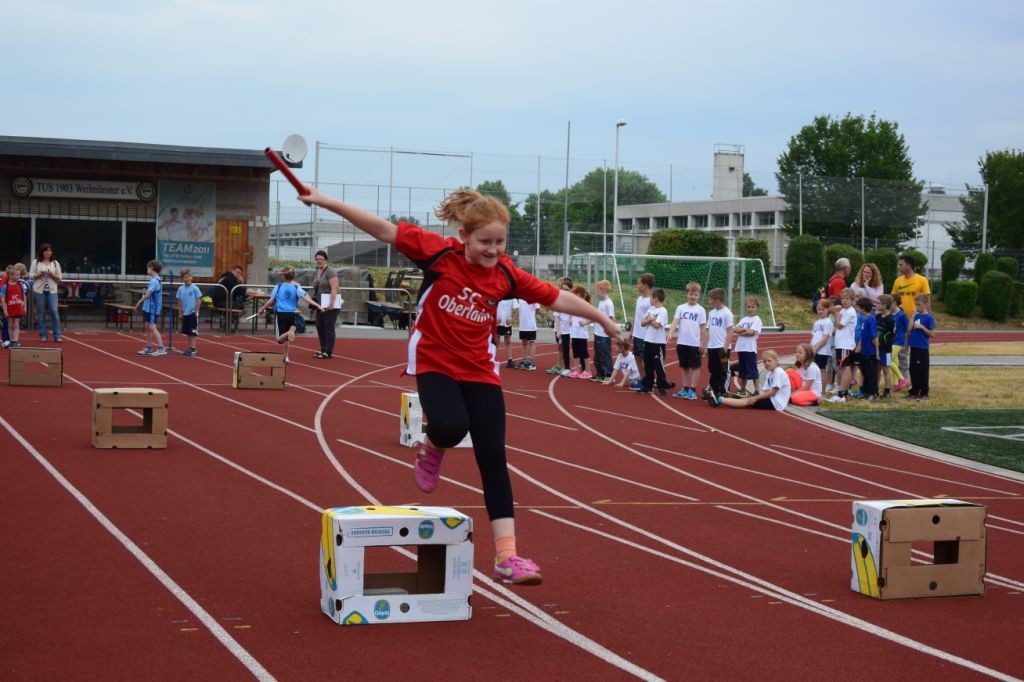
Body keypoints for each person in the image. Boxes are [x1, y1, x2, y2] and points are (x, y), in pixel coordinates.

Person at [298, 186, 623, 586]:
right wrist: (324, 201)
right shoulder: (437, 252)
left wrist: (606, 323)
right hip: (434, 361)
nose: (492, 250)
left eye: (500, 242)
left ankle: (508, 556)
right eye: (484, 242)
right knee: (450, 427)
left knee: (493, 458)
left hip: (480, 369)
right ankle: (433, 446)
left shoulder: (505, 273)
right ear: (464, 236)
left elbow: (557, 298)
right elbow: (381, 228)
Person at [256, 266, 323, 363]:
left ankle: (289, 333)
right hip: (291, 314)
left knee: (279, 339)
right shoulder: (296, 287)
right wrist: (318, 305)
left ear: (283, 277)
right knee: (287, 339)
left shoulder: (278, 287)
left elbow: (270, 301)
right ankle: (286, 356)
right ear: (293, 277)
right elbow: (306, 298)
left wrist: (262, 309)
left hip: (281, 315)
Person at [891, 253, 930, 385]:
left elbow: (927, 301)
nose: (898, 267)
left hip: (916, 322)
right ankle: (903, 380)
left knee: (916, 354)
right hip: (902, 322)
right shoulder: (898, 281)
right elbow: (893, 300)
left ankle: (917, 381)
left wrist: (924, 320)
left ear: (909, 265)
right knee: (901, 352)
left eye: (901, 264)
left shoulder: (921, 280)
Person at [707, 350, 790, 410]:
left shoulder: (778, 372)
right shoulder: (770, 373)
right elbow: (766, 391)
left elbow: (773, 392)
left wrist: (756, 398)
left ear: (776, 361)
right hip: (773, 400)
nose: (766, 363)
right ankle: (720, 399)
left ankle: (718, 399)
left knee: (747, 401)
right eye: (764, 362)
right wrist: (754, 397)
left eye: (769, 361)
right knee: (747, 399)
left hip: (776, 403)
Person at [667, 281, 707, 400]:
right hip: (682, 342)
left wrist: (703, 343)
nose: (693, 297)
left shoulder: (701, 310)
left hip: (694, 343)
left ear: (699, 295)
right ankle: (685, 388)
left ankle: (692, 390)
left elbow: (703, 327)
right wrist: (670, 332)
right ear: (687, 294)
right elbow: (675, 321)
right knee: (684, 366)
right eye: (691, 294)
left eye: (695, 295)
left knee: (695, 367)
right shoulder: (681, 307)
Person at [827, 288, 858, 402]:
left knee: (845, 367)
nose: (844, 301)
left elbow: (839, 325)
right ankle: (844, 393)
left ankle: (841, 394)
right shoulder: (844, 311)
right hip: (841, 343)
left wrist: (836, 312)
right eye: (843, 298)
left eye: (847, 299)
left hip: (846, 344)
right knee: (843, 367)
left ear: (852, 300)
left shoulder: (850, 311)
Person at [638, 288, 670, 395]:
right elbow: (642, 322)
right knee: (648, 364)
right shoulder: (650, 309)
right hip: (648, 340)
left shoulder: (663, 311)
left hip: (658, 343)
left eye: (651, 297)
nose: (650, 299)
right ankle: (648, 386)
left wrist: (650, 320)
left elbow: (657, 325)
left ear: (655, 299)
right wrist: (651, 319)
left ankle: (662, 385)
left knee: (658, 365)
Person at [30, 243, 63, 343]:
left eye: (49, 250)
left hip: (52, 290)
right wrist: (40, 274)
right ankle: (43, 335)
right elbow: (31, 276)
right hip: (39, 290)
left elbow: (59, 278)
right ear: (42, 252)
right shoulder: (36, 262)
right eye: (46, 250)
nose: (48, 252)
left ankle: (57, 335)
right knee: (41, 312)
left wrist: (52, 275)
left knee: (54, 311)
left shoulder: (55, 263)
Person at [134, 259, 167, 357]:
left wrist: (139, 302)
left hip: (153, 308)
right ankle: (149, 347)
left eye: (148, 268)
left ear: (151, 267)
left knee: (152, 327)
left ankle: (161, 348)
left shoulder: (155, 281)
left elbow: (148, 294)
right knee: (147, 326)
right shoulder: (153, 280)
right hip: (149, 307)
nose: (147, 270)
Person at [704, 287, 733, 398]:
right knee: (714, 370)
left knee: (723, 371)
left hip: (722, 347)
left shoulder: (727, 313)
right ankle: (712, 391)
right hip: (712, 347)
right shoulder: (711, 313)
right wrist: (706, 347)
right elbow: (709, 330)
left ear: (716, 300)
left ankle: (723, 391)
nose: (709, 302)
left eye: (710, 299)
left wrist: (725, 348)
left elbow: (730, 331)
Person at [312, 250, 341, 359]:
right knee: (319, 325)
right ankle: (323, 348)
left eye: (321, 259)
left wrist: (331, 303)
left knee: (328, 326)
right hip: (320, 303)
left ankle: (328, 351)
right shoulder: (316, 271)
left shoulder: (330, 272)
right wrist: (313, 304)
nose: (319, 261)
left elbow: (334, 288)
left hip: (331, 303)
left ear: (326, 260)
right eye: (317, 259)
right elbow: (315, 288)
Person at [906, 293, 935, 401]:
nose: (917, 307)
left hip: (922, 348)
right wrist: (913, 316)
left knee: (922, 370)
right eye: (916, 304)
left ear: (926, 304)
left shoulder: (929, 318)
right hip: (913, 346)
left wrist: (922, 327)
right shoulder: (917, 316)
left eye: (919, 304)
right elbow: (908, 329)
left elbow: (932, 334)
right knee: (913, 369)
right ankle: (914, 391)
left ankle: (924, 393)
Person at [731, 296, 763, 396]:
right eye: (748, 307)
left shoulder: (757, 320)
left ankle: (757, 390)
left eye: (753, 307)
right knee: (743, 370)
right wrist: (744, 330)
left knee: (753, 370)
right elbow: (734, 329)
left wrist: (741, 330)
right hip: (741, 348)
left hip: (750, 349)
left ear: (757, 307)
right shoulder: (743, 319)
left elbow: (751, 333)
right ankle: (743, 389)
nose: (750, 309)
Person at [854, 297, 879, 399]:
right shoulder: (864, 319)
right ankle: (865, 391)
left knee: (871, 373)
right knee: (864, 372)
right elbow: (863, 335)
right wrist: (859, 345)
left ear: (863, 308)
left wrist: (877, 351)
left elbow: (874, 336)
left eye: (858, 308)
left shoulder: (870, 319)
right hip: (864, 351)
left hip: (870, 352)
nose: (857, 310)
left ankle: (872, 392)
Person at [632, 273, 654, 385]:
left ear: (645, 285)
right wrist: (631, 332)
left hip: (646, 334)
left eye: (639, 283)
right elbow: (636, 316)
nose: (637, 285)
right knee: (637, 356)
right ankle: (642, 378)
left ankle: (649, 379)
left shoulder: (651, 300)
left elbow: (653, 316)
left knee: (645, 358)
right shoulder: (639, 299)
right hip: (637, 333)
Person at [175, 268, 203, 357]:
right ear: (182, 279)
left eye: (189, 277)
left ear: (191, 277)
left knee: (193, 332)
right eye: (185, 277)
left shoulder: (195, 288)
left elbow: (199, 299)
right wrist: (180, 312)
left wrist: (196, 310)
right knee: (187, 332)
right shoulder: (180, 289)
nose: (187, 278)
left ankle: (193, 349)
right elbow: (179, 301)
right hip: (185, 313)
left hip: (192, 313)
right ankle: (190, 348)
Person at [592, 279, 615, 381]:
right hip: (598, 332)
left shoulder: (608, 303)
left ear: (603, 290)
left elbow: (611, 318)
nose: (596, 292)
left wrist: (610, 330)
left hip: (604, 334)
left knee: (605, 353)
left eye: (597, 290)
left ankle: (608, 374)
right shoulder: (601, 302)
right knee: (598, 354)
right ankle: (600, 372)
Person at [0, 265, 29, 348]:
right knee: (10, 325)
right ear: (10, 276)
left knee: (16, 325)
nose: (18, 277)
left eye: (19, 275)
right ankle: (11, 340)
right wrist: (5, 310)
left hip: (18, 308)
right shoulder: (6, 287)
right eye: (17, 275)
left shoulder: (20, 285)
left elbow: (24, 297)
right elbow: (2, 299)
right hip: (10, 309)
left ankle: (15, 341)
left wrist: (25, 307)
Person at [568, 285, 592, 378]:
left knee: (584, 352)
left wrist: (585, 322)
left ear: (579, 294)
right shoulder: (574, 305)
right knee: (575, 352)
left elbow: (592, 318)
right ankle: (577, 370)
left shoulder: (586, 305)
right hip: (574, 333)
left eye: (575, 294)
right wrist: (570, 319)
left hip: (582, 334)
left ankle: (588, 371)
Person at [810, 299, 835, 390]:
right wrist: (811, 348)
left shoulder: (828, 322)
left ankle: (823, 391)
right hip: (814, 350)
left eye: (823, 309)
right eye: (819, 309)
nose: (820, 311)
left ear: (828, 310)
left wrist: (816, 349)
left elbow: (825, 339)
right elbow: (814, 337)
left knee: (821, 370)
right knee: (814, 370)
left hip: (822, 351)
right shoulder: (817, 322)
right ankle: (816, 388)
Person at [875, 293, 896, 398]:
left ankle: (887, 390)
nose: (877, 305)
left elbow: (891, 334)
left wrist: (881, 341)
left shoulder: (891, 319)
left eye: (878, 303)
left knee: (886, 369)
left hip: (886, 348)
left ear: (884, 305)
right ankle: (876, 388)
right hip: (877, 348)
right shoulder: (877, 317)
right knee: (877, 368)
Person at [889, 295, 910, 392]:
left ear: (894, 303)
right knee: (895, 362)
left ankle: (902, 379)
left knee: (887, 360)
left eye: (890, 302)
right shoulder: (891, 314)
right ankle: (896, 384)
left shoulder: (902, 315)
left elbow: (908, 328)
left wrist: (903, 338)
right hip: (891, 341)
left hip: (898, 341)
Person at [515, 298, 538, 370]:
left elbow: (537, 310)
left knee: (531, 343)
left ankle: (531, 363)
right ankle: (524, 361)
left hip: (531, 325)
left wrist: (530, 317)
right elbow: (519, 309)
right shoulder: (520, 298)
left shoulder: (534, 297)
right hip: (522, 325)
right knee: (523, 343)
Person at [496, 298, 516, 367]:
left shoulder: (512, 297)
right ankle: (493, 359)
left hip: (507, 324)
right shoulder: (498, 295)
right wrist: (494, 318)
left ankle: (510, 361)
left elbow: (517, 309)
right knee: (496, 342)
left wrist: (512, 319)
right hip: (497, 323)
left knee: (508, 341)